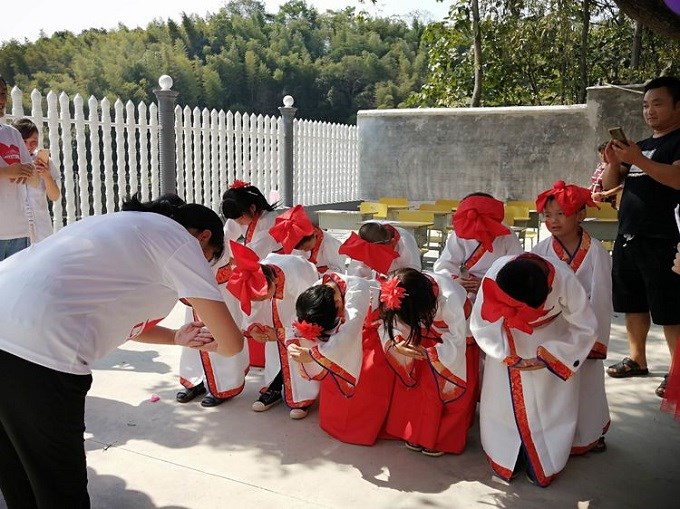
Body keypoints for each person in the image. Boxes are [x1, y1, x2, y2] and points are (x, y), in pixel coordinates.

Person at [0, 195, 244, 508]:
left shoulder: (120, 228)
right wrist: (221, 343)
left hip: (13, 326)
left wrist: (176, 337)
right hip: (41, 351)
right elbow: (232, 343)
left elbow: (127, 324)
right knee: (58, 485)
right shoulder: (178, 239)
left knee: (16, 470)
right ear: (204, 238)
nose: (203, 265)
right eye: (209, 258)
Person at [471, 253, 597, 487]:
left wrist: (554, 355)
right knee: (503, 407)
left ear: (548, 290)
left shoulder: (565, 279)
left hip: (550, 341)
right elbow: (482, 322)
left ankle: (543, 459)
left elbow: (585, 326)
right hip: (507, 341)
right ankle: (506, 455)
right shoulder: (496, 272)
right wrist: (505, 354)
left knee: (549, 408)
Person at [602, 76, 680, 398]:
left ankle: (677, 373)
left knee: (671, 309)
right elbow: (610, 186)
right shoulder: (642, 146)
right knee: (632, 302)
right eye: (645, 105)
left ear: (678, 105)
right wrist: (613, 163)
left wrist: (638, 160)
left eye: (657, 104)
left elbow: (677, 178)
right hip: (629, 236)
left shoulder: (676, 142)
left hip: (664, 239)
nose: (649, 111)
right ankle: (637, 359)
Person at [532, 181, 612, 454]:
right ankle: (555, 437)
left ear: (580, 215)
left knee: (587, 383)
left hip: (584, 329)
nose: (553, 221)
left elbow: (601, 298)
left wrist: (595, 339)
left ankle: (589, 434)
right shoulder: (539, 252)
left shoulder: (597, 252)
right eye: (548, 215)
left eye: (561, 214)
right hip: (552, 328)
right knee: (554, 384)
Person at [287, 272, 391, 445]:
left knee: (366, 381)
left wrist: (313, 354)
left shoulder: (358, 289)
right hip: (340, 340)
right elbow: (299, 320)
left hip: (368, 334)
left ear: (337, 303)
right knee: (333, 377)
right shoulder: (318, 289)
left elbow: (349, 333)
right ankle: (334, 423)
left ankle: (361, 430)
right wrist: (292, 342)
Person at [378, 269, 473, 456]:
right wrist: (396, 341)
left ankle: (442, 439)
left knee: (446, 391)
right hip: (426, 340)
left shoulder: (450, 298)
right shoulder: (412, 290)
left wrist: (434, 353)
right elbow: (393, 322)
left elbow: (457, 340)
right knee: (420, 389)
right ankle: (418, 434)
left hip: (456, 346)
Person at [228, 241, 320, 419]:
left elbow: (309, 317)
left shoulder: (300, 275)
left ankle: (303, 397)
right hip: (278, 309)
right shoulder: (256, 275)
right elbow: (253, 303)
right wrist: (253, 326)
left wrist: (281, 333)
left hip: (301, 305)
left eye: (264, 296)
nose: (263, 300)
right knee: (275, 351)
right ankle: (275, 387)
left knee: (298, 348)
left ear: (275, 281)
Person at [221, 180, 281, 367]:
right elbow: (226, 236)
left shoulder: (270, 220)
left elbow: (256, 252)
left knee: (270, 312)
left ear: (253, 208)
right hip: (255, 264)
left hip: (274, 269)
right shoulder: (241, 214)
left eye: (239, 219)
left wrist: (234, 260)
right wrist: (223, 255)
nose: (238, 223)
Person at [433, 192, 523, 301]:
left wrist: (489, 285)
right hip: (467, 285)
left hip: (497, 286)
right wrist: (455, 281)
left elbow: (517, 268)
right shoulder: (461, 231)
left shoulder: (506, 234)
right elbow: (445, 264)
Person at [0, 75, 35, 261]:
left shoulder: (12, 133)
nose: (1, 100)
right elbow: (13, 170)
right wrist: (7, 172)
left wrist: (30, 172)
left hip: (18, 231)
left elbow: (32, 175)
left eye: (3, 93)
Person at [12, 118, 61, 243]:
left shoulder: (45, 162)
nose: (29, 146)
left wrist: (47, 175)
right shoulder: (7, 163)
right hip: (15, 230)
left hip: (41, 226)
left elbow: (55, 196)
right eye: (24, 141)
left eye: (34, 142)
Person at [268, 204, 345, 275]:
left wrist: (314, 275)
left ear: (314, 234)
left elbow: (339, 273)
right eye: (299, 248)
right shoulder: (297, 245)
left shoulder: (331, 244)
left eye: (305, 247)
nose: (304, 250)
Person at [341, 221, 421, 278]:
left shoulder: (406, 245)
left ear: (390, 242)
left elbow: (413, 276)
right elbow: (356, 275)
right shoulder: (364, 244)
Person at [590, 141, 622, 207]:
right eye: (601, 153)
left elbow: (621, 186)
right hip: (594, 202)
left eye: (606, 153)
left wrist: (604, 194)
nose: (603, 156)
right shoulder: (599, 166)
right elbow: (595, 183)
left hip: (607, 204)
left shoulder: (615, 168)